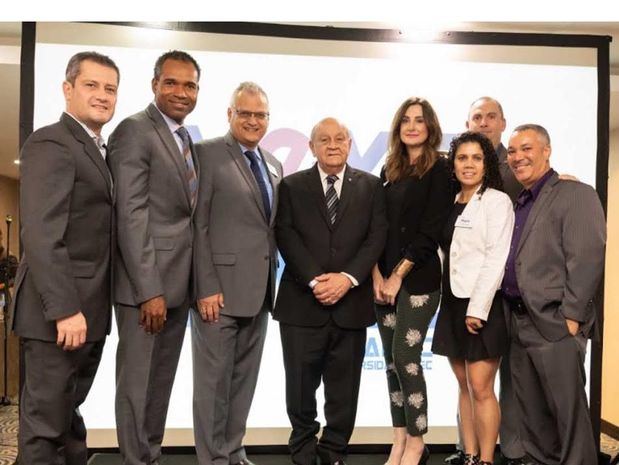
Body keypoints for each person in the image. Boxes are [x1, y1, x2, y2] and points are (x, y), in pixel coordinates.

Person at [9, 51, 118, 465]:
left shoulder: (96, 150)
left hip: (86, 316)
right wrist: (66, 310)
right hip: (58, 316)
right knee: (44, 430)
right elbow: (41, 233)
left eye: (110, 88)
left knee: (67, 423)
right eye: (91, 85)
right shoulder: (52, 141)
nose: (102, 95)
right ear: (68, 89)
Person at [274, 117, 387, 465]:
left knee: (344, 390)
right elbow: (286, 235)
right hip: (301, 304)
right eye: (324, 139)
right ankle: (303, 451)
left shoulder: (371, 186)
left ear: (350, 144)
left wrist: (348, 279)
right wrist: (316, 280)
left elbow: (376, 237)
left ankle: (335, 451)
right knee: (300, 388)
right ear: (312, 147)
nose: (333, 144)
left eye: (340, 138)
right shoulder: (292, 186)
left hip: (350, 304)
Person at [107, 50, 200, 465]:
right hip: (147, 290)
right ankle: (134, 459)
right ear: (154, 85)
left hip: (177, 287)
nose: (181, 92)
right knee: (137, 386)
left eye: (190, 85)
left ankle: (150, 455)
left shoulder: (184, 137)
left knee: (159, 385)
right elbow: (130, 215)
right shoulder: (134, 131)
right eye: (172, 83)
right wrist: (149, 291)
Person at [502, 124, 606, 465]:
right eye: (513, 151)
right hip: (518, 323)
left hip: (555, 324)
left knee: (569, 422)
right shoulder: (519, 202)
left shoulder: (576, 194)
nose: (518, 157)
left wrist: (572, 318)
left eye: (526, 148)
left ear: (547, 151)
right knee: (532, 421)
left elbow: (588, 256)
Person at [192, 81, 282, 465]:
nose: (252, 120)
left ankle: (233, 450)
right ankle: (212, 458)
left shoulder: (273, 164)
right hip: (218, 295)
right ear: (229, 114)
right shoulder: (205, 154)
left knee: (243, 381)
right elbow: (197, 225)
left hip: (259, 292)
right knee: (213, 386)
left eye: (259, 114)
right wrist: (205, 285)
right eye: (244, 113)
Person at [442, 97, 524, 465]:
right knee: (463, 386)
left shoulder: (497, 202)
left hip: (482, 306)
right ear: (454, 163)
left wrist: (478, 309)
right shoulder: (452, 200)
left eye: (476, 158)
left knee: (481, 387)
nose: (469, 164)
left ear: (486, 162)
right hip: (452, 302)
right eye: (462, 158)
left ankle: (488, 459)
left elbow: (496, 258)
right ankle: (470, 455)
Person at [372, 97, 452, 465]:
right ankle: (399, 439)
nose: (412, 126)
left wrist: (396, 276)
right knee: (390, 362)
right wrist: (377, 274)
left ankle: (418, 442)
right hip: (382, 281)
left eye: (419, 120)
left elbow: (430, 230)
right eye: (405, 120)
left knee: (406, 357)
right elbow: (377, 229)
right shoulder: (389, 168)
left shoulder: (441, 169)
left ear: (430, 126)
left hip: (417, 279)